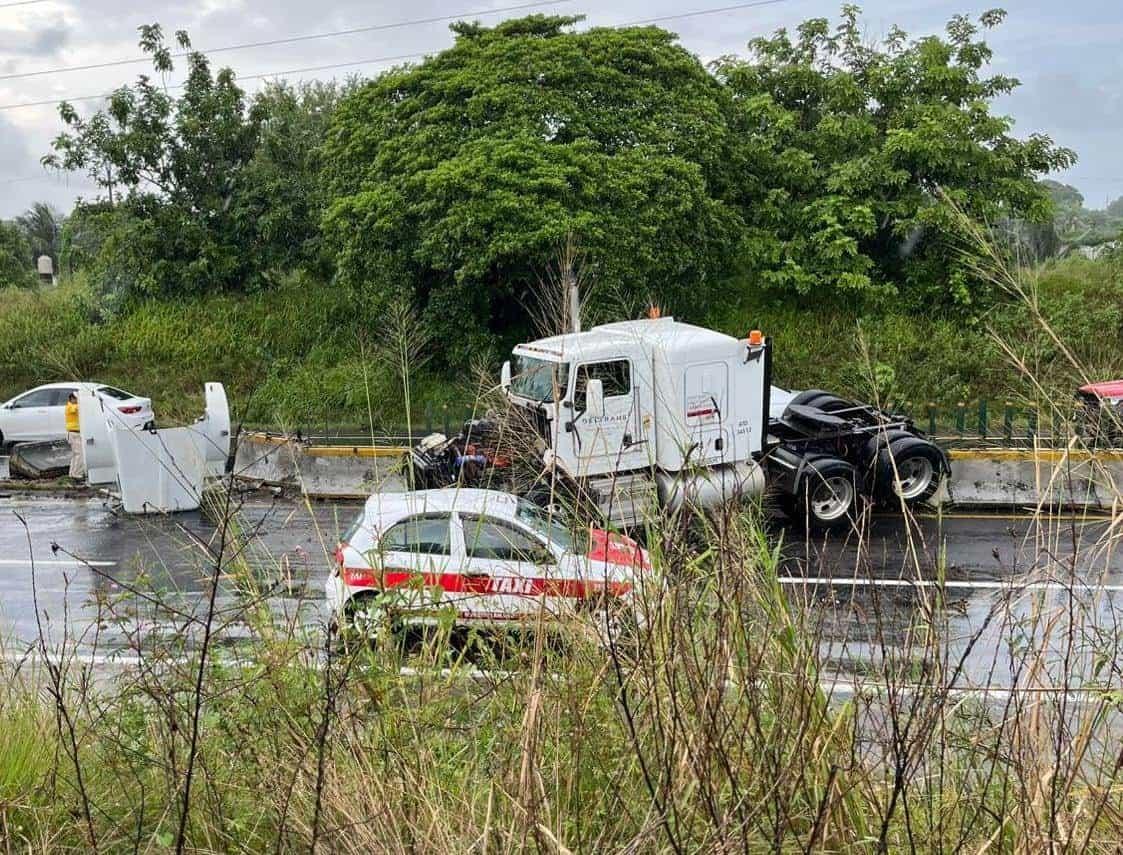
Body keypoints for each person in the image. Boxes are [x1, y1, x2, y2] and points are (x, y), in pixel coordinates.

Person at [65, 391, 85, 480]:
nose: (77, 400)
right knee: (79, 454)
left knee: (75, 454)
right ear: (71, 399)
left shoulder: (72, 406)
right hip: (74, 433)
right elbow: (75, 408)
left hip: (74, 433)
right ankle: (77, 474)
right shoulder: (70, 406)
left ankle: (72, 473)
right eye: (76, 399)